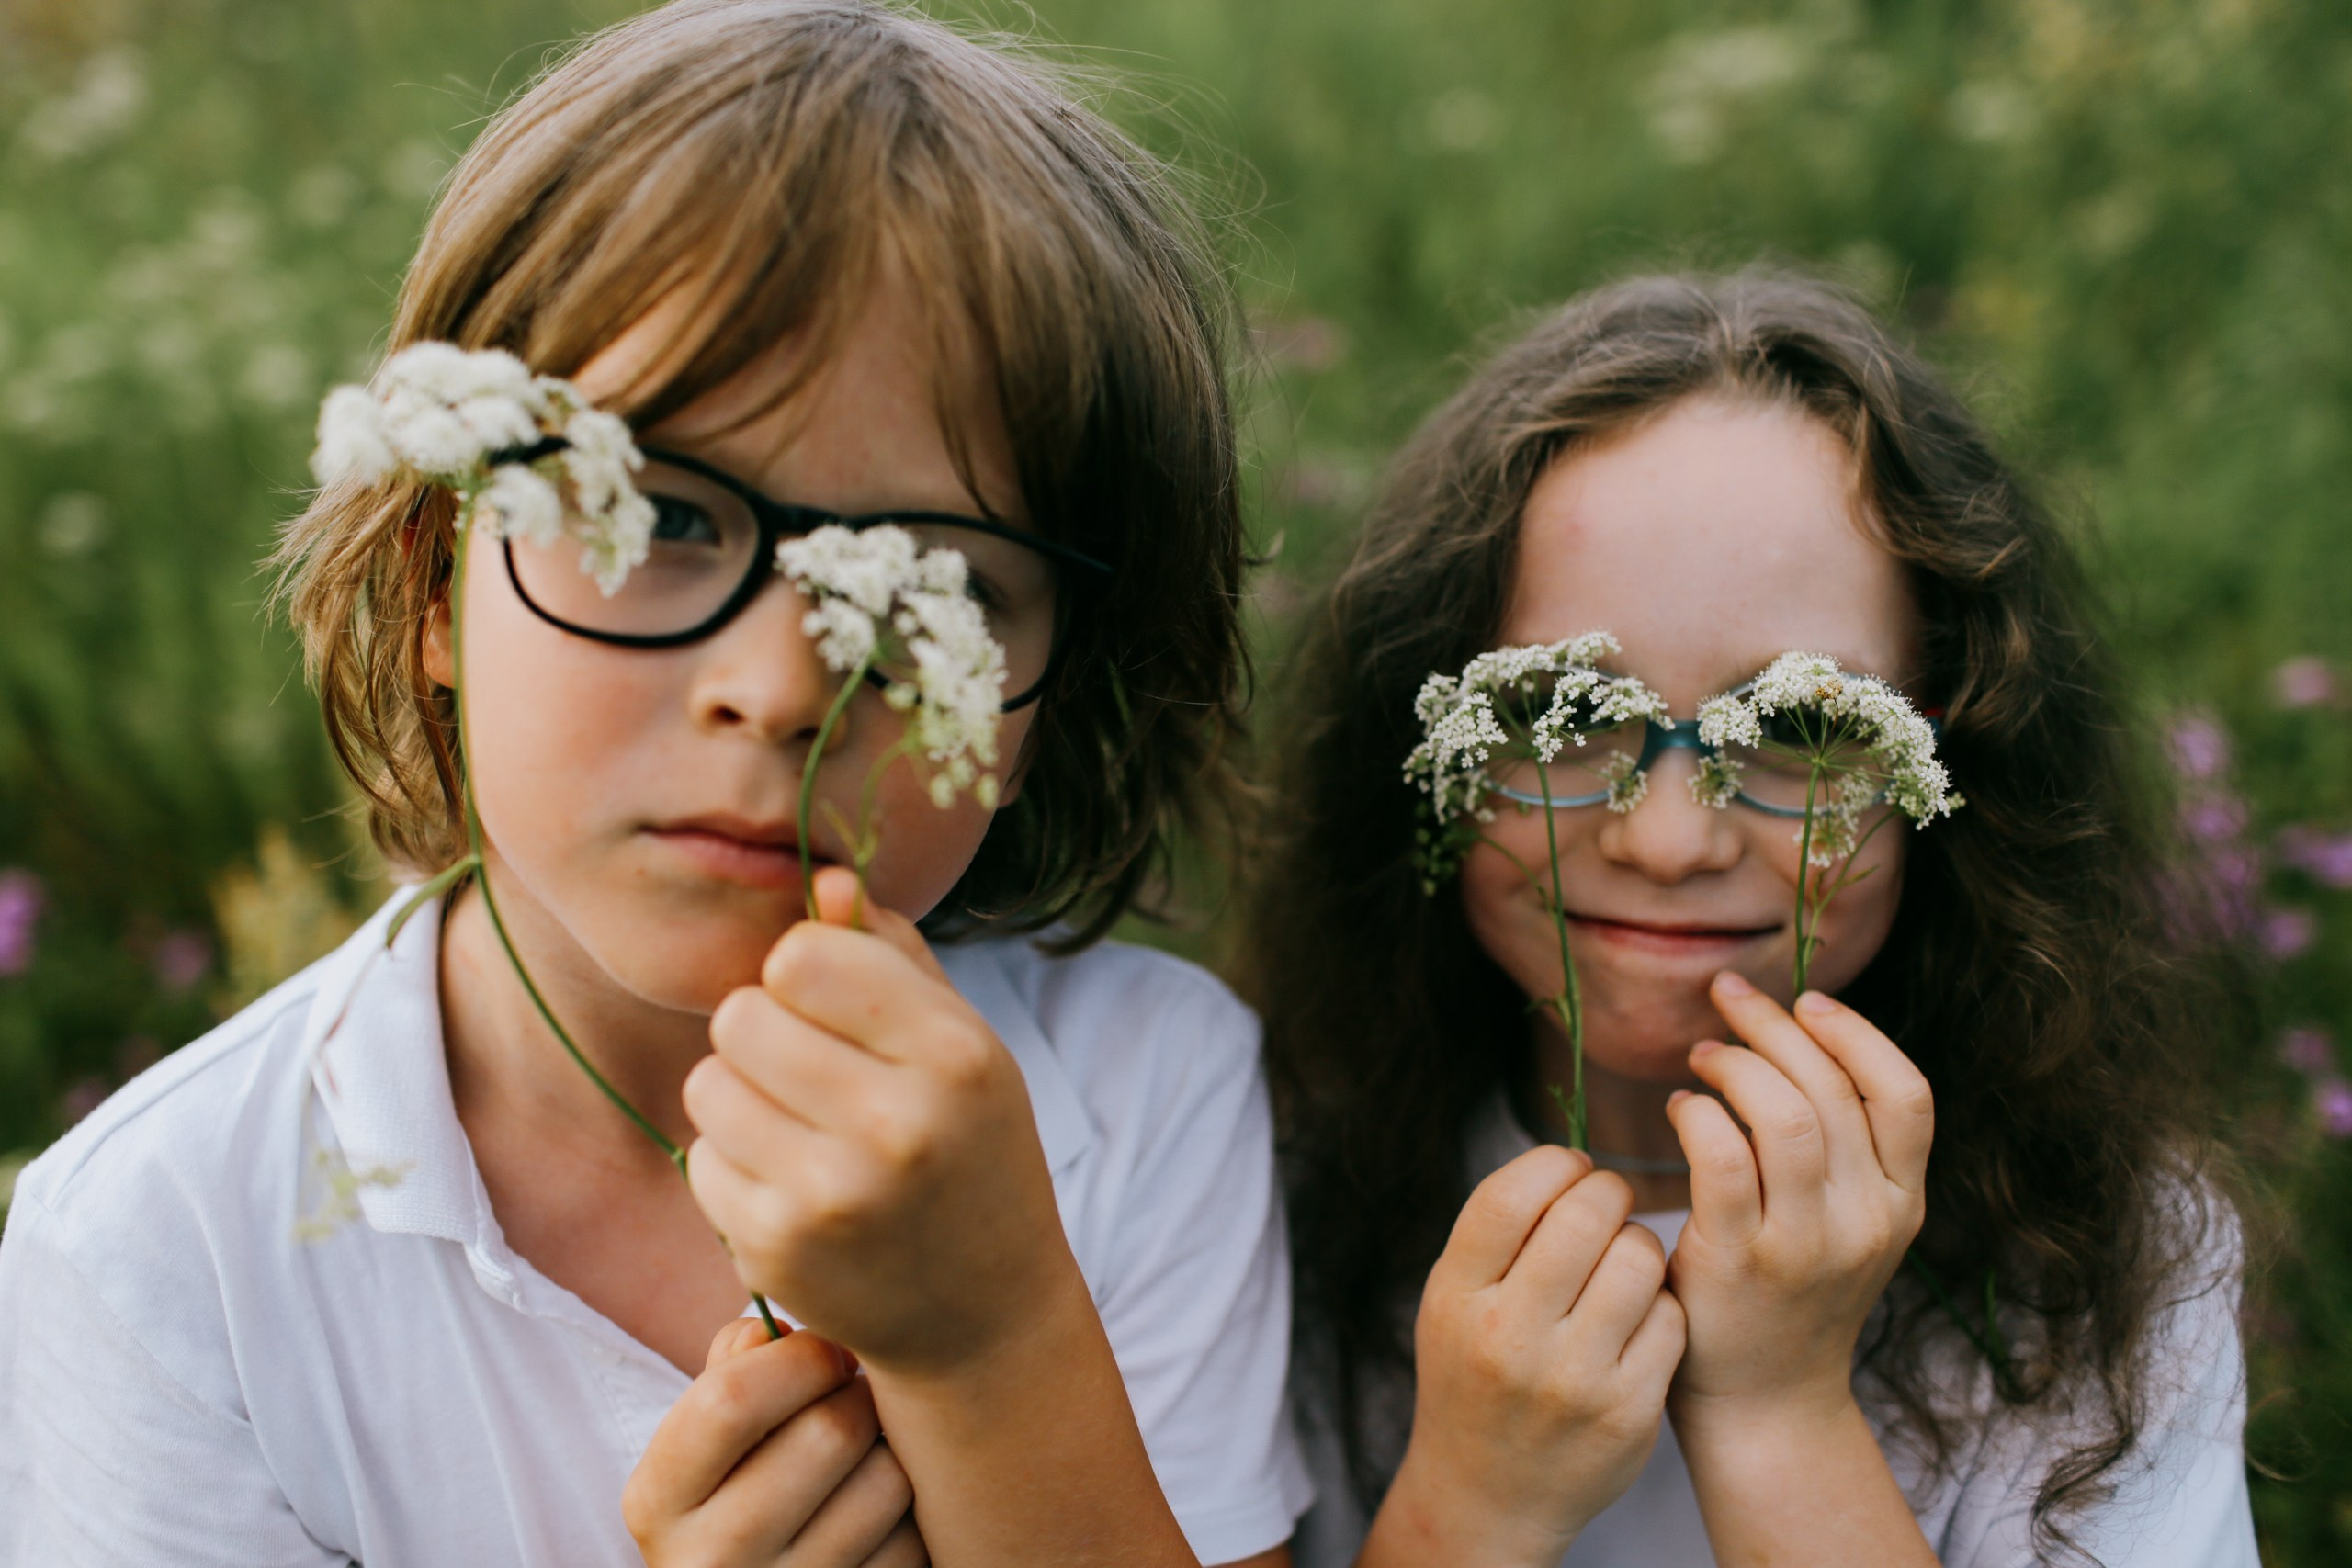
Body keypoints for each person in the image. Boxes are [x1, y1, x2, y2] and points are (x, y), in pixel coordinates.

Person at [0, 5, 1309, 1564]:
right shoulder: (168, 1246)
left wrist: (1000, 1340)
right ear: (433, 583)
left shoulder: (1145, 1096)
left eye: (934, 586)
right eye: (665, 523)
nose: (780, 689)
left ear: (1051, 687)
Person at [1244, 270, 2258, 1568]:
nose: (1667, 840)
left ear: (1958, 779)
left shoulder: (2108, 1256)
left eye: (1801, 731)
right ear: (1427, 741)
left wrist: (1778, 1414)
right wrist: (1468, 1506)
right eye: (1565, 714)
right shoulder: (1272, 1169)